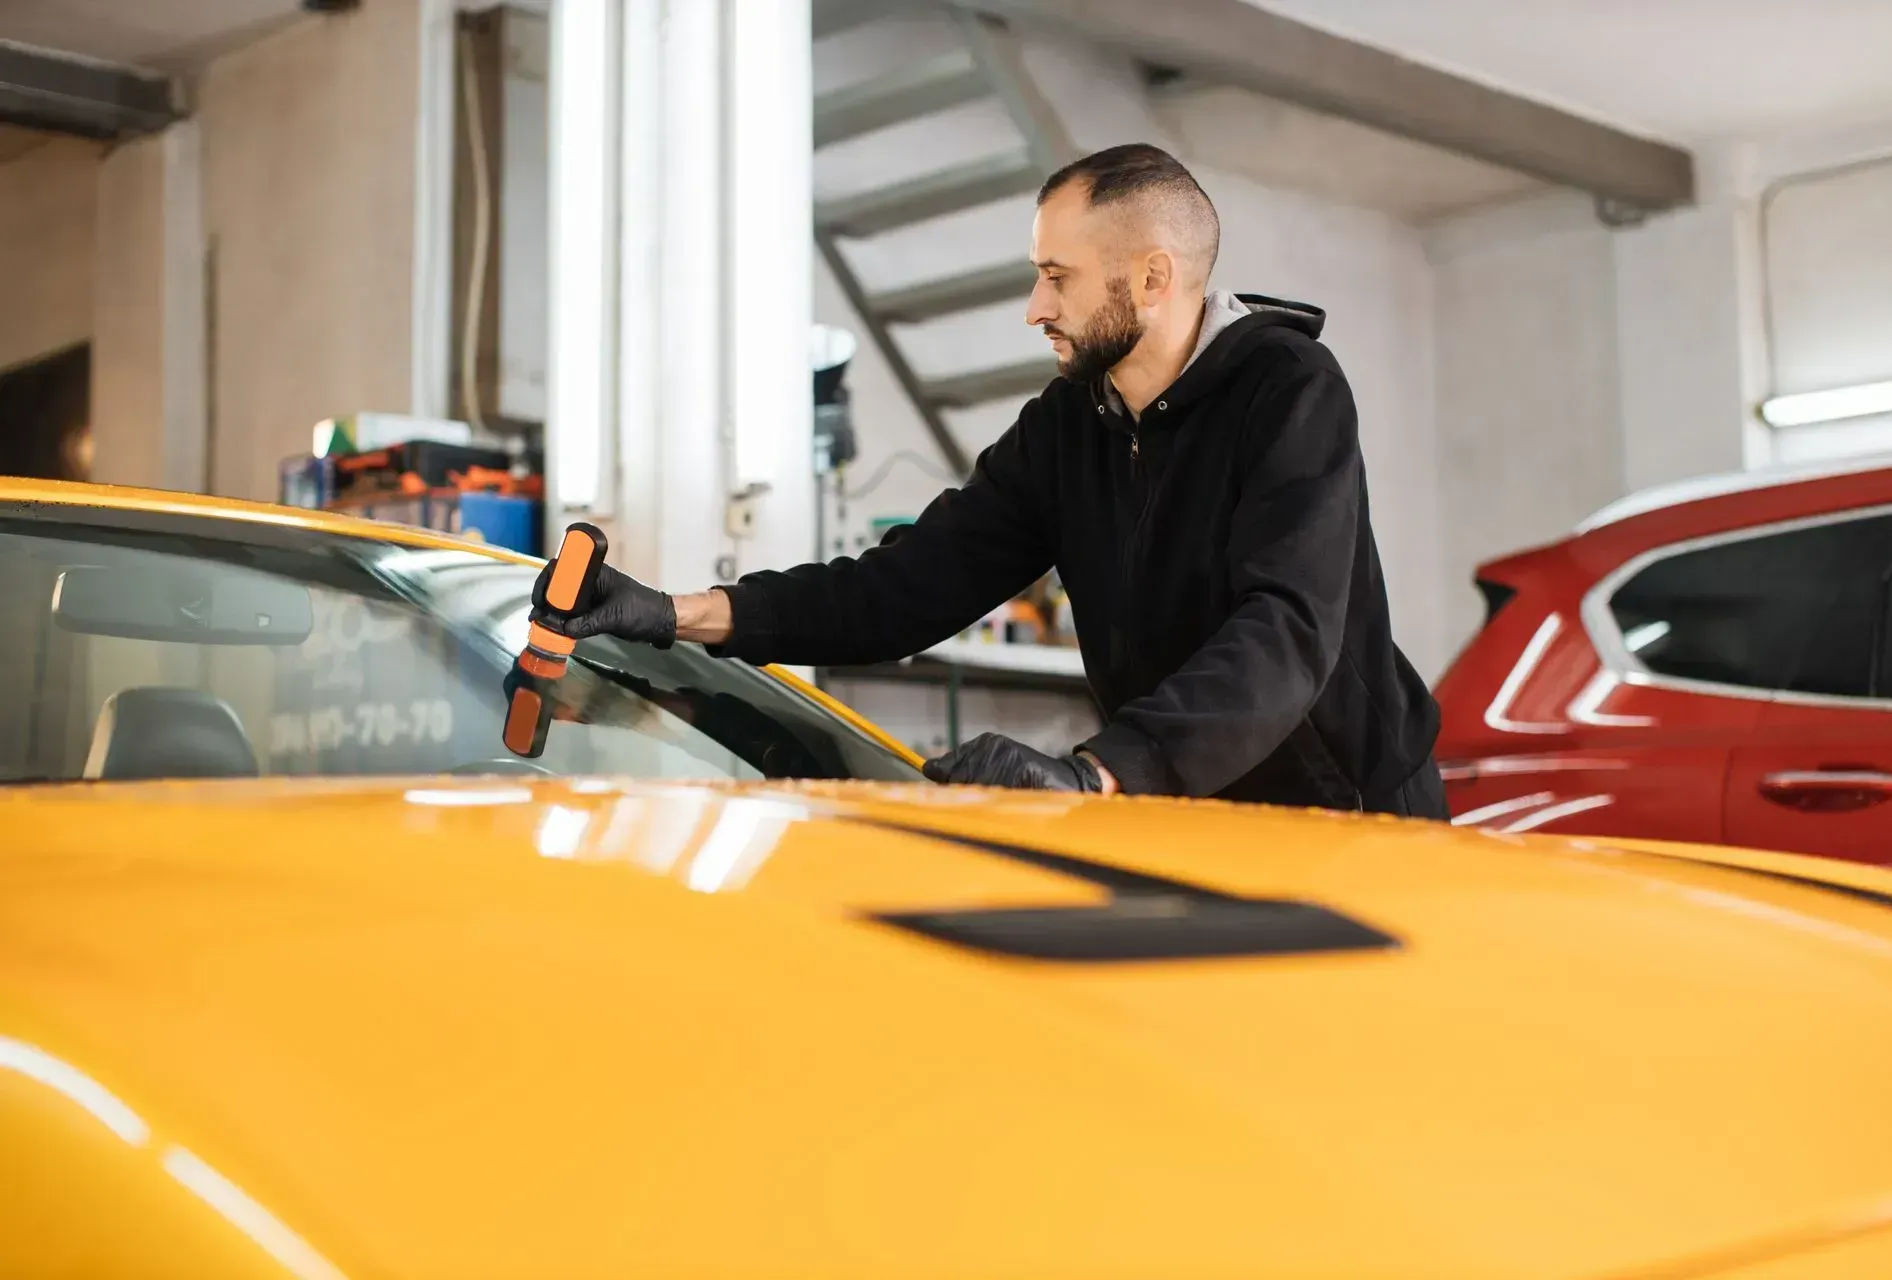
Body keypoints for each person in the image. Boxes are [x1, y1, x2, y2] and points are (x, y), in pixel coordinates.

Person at [530, 142, 1448, 817]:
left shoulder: (1287, 391)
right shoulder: (1068, 426)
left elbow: (1287, 632)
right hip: (1179, 807)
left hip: (1350, 812)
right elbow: (906, 587)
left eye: (1059, 278)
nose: (1035, 308)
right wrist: (675, 614)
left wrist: (1095, 770)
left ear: (1154, 277)